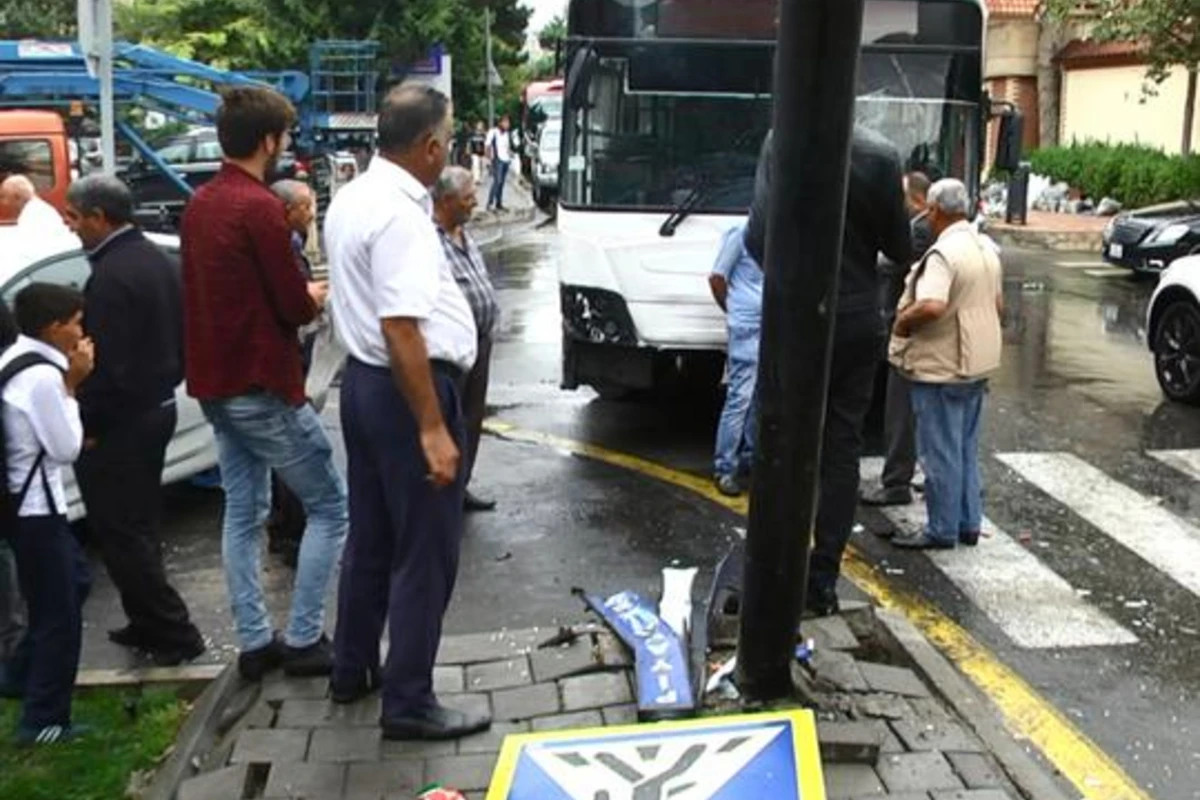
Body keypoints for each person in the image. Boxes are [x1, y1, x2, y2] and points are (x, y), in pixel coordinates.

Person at [325, 84, 491, 740]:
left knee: (372, 537)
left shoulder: (355, 195)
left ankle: (353, 667)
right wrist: (432, 427)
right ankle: (410, 701)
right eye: (447, 142)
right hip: (405, 390)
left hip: (367, 387)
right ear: (428, 147)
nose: (447, 151)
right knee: (426, 550)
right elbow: (402, 328)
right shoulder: (398, 213)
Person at [180, 86, 347, 681]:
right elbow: (291, 306)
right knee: (330, 505)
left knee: (242, 510)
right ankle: (304, 638)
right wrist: (312, 297)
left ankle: (254, 641)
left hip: (216, 386)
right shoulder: (259, 209)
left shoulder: (200, 204)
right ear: (268, 141)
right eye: (285, 136)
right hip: (262, 384)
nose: (286, 147)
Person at [744, 127, 912, 616]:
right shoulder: (880, 155)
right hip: (857, 318)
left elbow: (757, 238)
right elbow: (900, 246)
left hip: (796, 317)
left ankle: (774, 570)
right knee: (842, 447)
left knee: (783, 438)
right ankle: (822, 579)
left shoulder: (782, 140)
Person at [64, 175, 206, 666]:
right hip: (157, 405)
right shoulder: (156, 259)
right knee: (139, 526)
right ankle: (146, 620)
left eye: (75, 216)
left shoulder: (110, 277)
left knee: (122, 533)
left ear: (100, 217)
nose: (70, 226)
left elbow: (110, 366)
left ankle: (174, 632)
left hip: (121, 422)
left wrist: (89, 425)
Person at [0, 283, 94, 744]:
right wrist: (73, 386)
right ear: (54, 327)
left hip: (23, 506)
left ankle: (18, 674)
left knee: (73, 582)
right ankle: (44, 719)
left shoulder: (14, 357)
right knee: (59, 614)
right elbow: (65, 448)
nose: (81, 331)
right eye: (76, 322)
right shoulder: (43, 378)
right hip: (36, 508)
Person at [888, 178, 1003, 549]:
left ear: (935, 211)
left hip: (942, 365)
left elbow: (933, 305)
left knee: (939, 452)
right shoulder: (985, 246)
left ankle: (941, 529)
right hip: (976, 361)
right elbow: (998, 305)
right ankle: (968, 523)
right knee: (965, 448)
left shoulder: (943, 254)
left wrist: (903, 321)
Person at [862, 171, 935, 507]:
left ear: (916, 199)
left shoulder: (921, 231)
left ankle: (896, 483)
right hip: (929, 336)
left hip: (909, 329)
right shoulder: (938, 231)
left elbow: (890, 264)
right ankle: (924, 477)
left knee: (900, 411)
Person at [433, 166, 500, 513]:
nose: (475, 202)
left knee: (473, 417)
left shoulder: (464, 233)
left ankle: (461, 486)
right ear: (446, 201)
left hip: (481, 340)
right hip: (453, 348)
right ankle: (443, 490)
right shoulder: (430, 239)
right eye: (468, 197)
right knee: (451, 419)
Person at [265, 179, 320, 566]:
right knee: (292, 447)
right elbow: (294, 305)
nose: (311, 213)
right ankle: (290, 531)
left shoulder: (292, 247)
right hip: (287, 364)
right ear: (287, 211)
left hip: (292, 360)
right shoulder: (283, 251)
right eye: (305, 207)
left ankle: (286, 526)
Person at [709, 223, 763, 497]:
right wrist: (734, 310)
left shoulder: (775, 231)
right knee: (740, 398)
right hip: (746, 327)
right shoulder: (740, 233)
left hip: (770, 327)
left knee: (759, 398)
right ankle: (725, 467)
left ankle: (750, 460)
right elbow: (717, 277)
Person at [0, 175, 78, 263]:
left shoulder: (35, 217)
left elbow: (31, 255)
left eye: (3, 197)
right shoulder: (36, 210)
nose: (2, 203)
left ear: (17, 197)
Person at [485, 115, 513, 212]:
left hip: (505, 159)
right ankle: (490, 203)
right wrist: (488, 160)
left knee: (502, 183)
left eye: (508, 123)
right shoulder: (493, 132)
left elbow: (507, 147)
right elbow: (487, 146)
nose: (507, 125)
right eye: (505, 123)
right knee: (497, 181)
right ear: (500, 123)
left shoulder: (506, 134)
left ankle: (499, 203)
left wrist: (510, 156)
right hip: (497, 159)